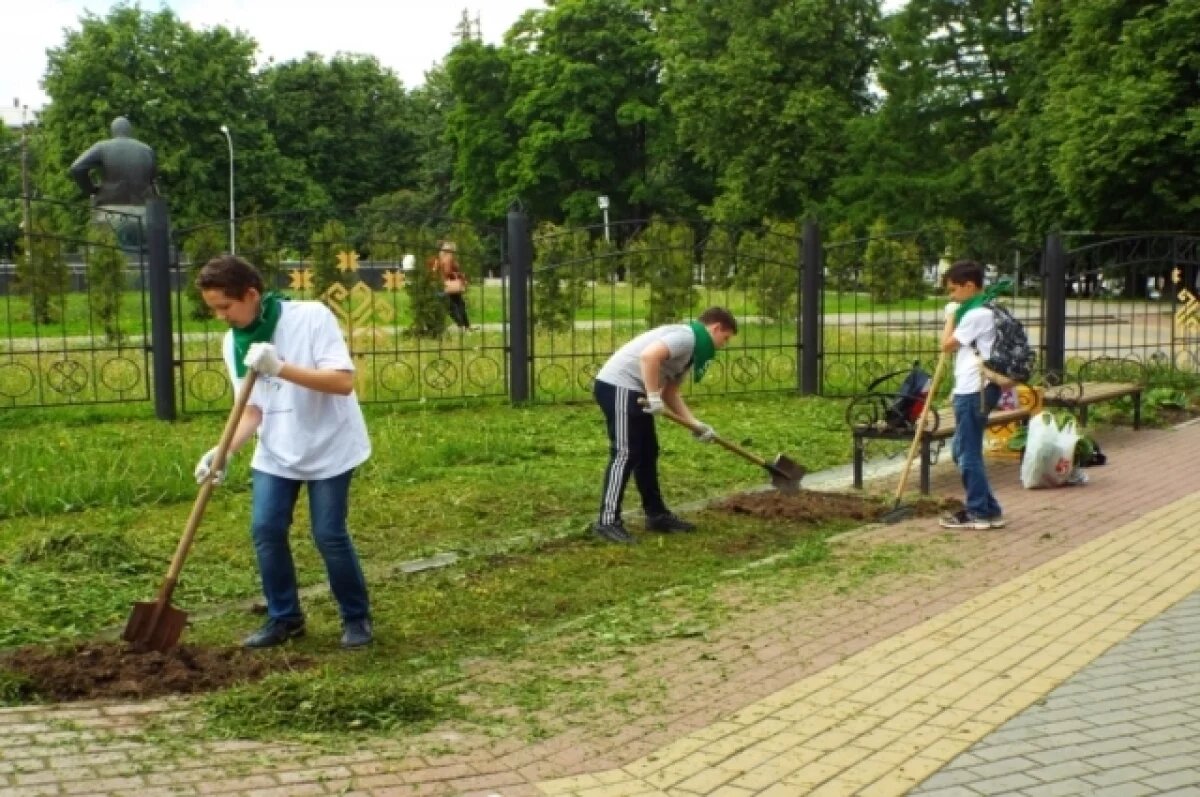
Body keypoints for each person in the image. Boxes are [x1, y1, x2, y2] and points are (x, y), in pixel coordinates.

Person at [193, 255, 374, 648]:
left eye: (226, 307)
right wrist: (222, 451)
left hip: (330, 444)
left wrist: (281, 367)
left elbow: (342, 382)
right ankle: (284, 618)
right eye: (215, 310)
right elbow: (252, 409)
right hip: (278, 449)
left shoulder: (310, 317)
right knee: (266, 529)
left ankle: (356, 618)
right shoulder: (234, 341)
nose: (222, 317)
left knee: (328, 534)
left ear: (251, 294)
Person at [591, 307, 738, 544]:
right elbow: (649, 357)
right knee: (625, 453)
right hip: (618, 386)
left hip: (635, 391)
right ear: (716, 328)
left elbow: (670, 391)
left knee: (647, 453)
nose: (724, 344)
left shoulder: (693, 351)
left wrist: (695, 424)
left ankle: (656, 515)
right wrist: (653, 396)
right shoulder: (686, 336)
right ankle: (607, 522)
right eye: (726, 338)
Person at [939, 259, 1006, 530]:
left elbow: (946, 345)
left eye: (954, 290)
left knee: (968, 454)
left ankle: (978, 511)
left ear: (969, 286)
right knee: (961, 450)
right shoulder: (984, 308)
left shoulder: (977, 314)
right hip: (973, 387)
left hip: (974, 390)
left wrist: (951, 316)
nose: (952, 295)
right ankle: (990, 508)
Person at [428, 240, 471, 330]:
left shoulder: (439, 259)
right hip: (446, 286)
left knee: (455, 305)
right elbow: (448, 271)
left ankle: (464, 326)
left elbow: (435, 273)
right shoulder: (443, 259)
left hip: (446, 286)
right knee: (455, 305)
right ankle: (464, 326)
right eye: (446, 250)